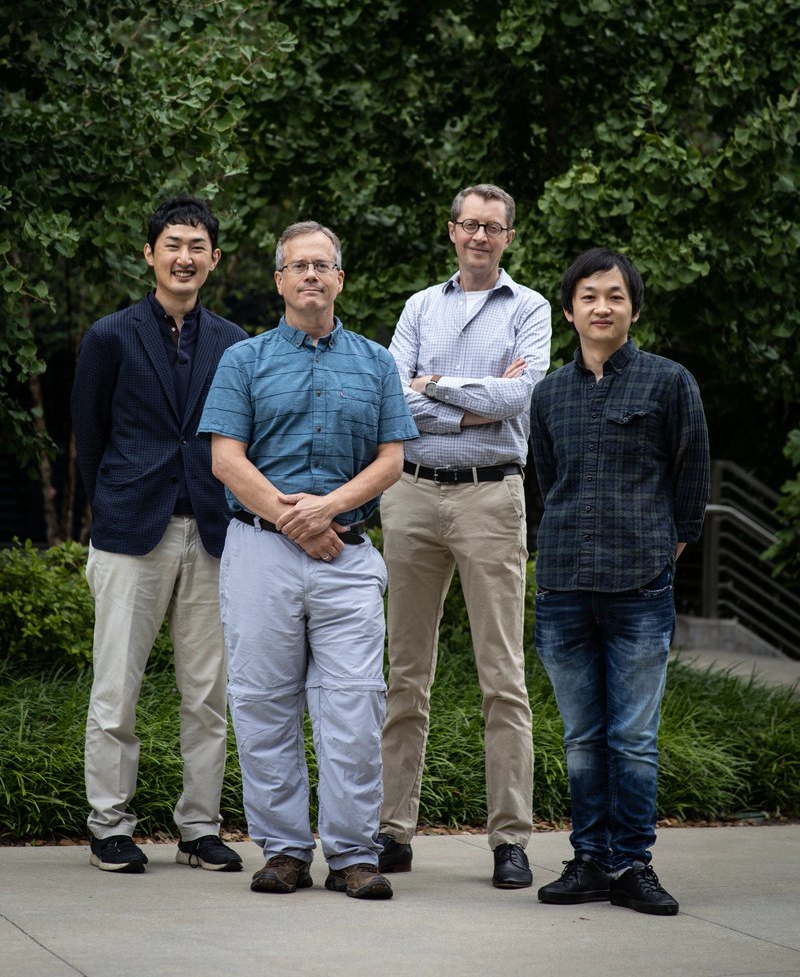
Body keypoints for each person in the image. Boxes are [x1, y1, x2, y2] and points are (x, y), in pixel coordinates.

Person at [198, 220, 417, 901]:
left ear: (340, 279)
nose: (312, 276)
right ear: (280, 281)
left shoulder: (376, 362)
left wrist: (327, 511)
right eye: (300, 266)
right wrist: (294, 522)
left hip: (347, 559)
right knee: (263, 704)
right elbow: (224, 458)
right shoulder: (245, 360)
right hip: (260, 554)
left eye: (324, 265)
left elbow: (392, 460)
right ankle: (286, 851)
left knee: (353, 707)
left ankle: (353, 854)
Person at [377, 184, 552, 889]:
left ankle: (510, 840)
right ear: (451, 232)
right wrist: (471, 401)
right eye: (469, 225)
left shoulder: (533, 307)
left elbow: (520, 398)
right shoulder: (421, 305)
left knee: (502, 678)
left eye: (493, 227)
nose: (480, 235)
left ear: (508, 237)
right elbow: (395, 397)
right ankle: (393, 831)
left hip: (491, 499)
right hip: (411, 494)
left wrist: (437, 385)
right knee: (403, 675)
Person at [531, 247, 710, 916]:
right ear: (570, 309)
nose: (601, 308)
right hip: (566, 586)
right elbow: (547, 483)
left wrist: (664, 553)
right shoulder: (549, 393)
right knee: (581, 737)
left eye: (614, 296)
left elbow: (691, 483)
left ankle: (633, 864)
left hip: (641, 585)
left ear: (633, 308)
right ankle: (589, 861)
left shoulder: (669, 384)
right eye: (588, 297)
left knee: (632, 737)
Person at [72, 194, 247, 875]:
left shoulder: (235, 343)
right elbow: (90, 438)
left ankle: (199, 828)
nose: (184, 257)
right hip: (128, 532)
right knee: (116, 689)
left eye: (197, 246)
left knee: (207, 694)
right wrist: (109, 506)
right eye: (172, 244)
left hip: (210, 532)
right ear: (149, 254)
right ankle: (109, 825)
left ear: (214, 258)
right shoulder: (109, 336)